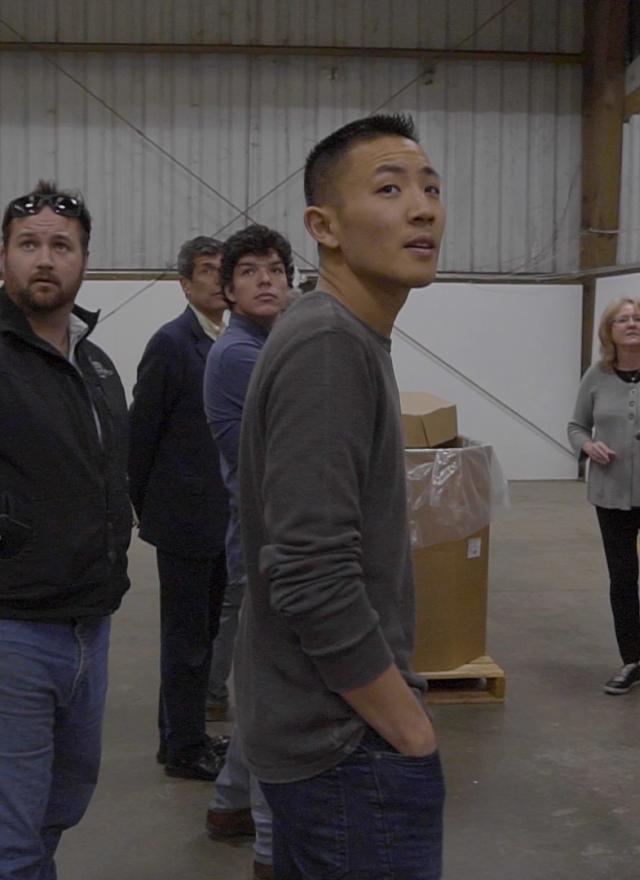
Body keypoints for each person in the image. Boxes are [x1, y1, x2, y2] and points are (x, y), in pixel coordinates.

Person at [234, 114, 447, 879]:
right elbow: (310, 571)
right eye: (389, 189)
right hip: (347, 747)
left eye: (430, 188)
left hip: (326, 739)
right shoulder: (329, 348)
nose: (422, 208)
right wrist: (407, 729)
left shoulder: (346, 338)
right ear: (323, 226)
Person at [0, 180, 131, 879]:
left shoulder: (97, 364)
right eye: (28, 245)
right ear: (3, 257)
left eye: (61, 245)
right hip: (13, 628)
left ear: (84, 260)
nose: (44, 259)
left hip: (91, 624)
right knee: (12, 836)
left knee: (61, 804)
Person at [203, 224, 292, 880]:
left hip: (266, 541)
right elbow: (282, 458)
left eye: (277, 270)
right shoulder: (241, 355)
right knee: (273, 702)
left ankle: (230, 806)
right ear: (228, 290)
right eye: (251, 271)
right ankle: (268, 847)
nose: (267, 280)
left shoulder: (266, 344)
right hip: (263, 546)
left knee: (263, 683)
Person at [128, 236, 229, 780]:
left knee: (205, 635)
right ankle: (185, 748)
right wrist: (146, 506)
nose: (218, 279)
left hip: (221, 520)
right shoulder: (171, 343)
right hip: (183, 520)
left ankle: (181, 736)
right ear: (185, 284)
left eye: (222, 270)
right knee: (186, 641)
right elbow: (140, 433)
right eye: (208, 271)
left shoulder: (231, 342)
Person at [568, 297, 640, 695]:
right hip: (611, 494)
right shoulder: (596, 375)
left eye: (638, 318)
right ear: (610, 331)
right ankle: (632, 658)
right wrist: (588, 447)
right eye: (623, 319)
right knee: (624, 576)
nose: (632, 324)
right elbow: (576, 425)